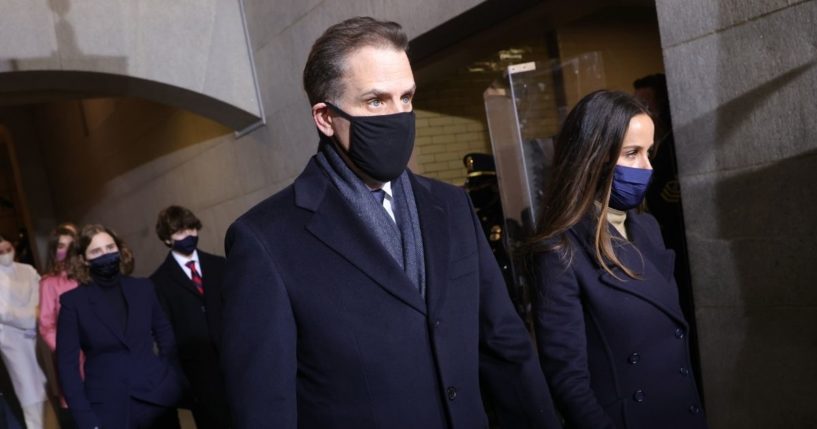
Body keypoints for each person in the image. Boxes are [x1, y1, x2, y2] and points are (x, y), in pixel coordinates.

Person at [220, 16, 559, 429]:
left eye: (406, 98)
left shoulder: (452, 207)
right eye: (376, 101)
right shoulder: (265, 240)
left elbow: (505, 347)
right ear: (326, 118)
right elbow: (265, 409)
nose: (398, 116)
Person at [530, 90, 708, 428]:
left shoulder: (647, 228)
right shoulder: (560, 249)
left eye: (649, 152)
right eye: (632, 153)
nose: (648, 167)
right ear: (593, 157)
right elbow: (568, 382)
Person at [57, 224, 185, 429]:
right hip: (110, 408)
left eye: (110, 248)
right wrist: (85, 419)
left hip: (157, 397)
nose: (105, 254)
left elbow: (165, 335)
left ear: (119, 249)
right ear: (83, 259)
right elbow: (67, 367)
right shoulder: (73, 303)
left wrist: (168, 377)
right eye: (96, 251)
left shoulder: (143, 288)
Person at [150, 206, 229, 428]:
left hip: (232, 363)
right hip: (197, 375)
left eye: (192, 228)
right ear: (167, 238)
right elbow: (165, 334)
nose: (189, 236)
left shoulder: (220, 265)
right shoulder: (158, 282)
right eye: (180, 232)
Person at [0, 234, 47, 428]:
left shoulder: (27, 269)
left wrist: (35, 314)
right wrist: (31, 316)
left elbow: (40, 296)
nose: (5, 254)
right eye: (0, 252)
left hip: (39, 334)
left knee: (47, 387)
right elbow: (3, 312)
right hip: (11, 340)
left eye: (8, 250)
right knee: (28, 391)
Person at [38, 223, 81, 429]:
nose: (67, 251)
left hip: (99, 351)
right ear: (54, 250)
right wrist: (65, 349)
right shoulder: (48, 283)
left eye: (71, 246)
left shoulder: (87, 276)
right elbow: (46, 325)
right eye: (61, 246)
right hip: (71, 355)